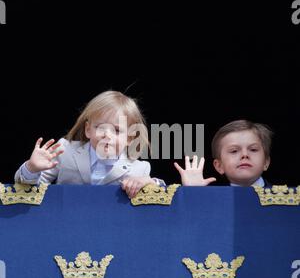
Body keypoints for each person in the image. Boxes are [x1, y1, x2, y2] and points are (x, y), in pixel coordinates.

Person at [15, 90, 163, 198]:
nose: (107, 135)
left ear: (130, 137)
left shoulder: (139, 168)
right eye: (100, 127)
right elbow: (28, 190)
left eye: (117, 130)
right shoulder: (65, 150)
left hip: (111, 232)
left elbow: (161, 195)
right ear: (88, 130)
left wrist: (149, 182)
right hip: (65, 227)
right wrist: (31, 168)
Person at [175, 119, 273, 187]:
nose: (245, 154)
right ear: (219, 166)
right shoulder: (212, 200)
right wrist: (194, 192)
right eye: (234, 151)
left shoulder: (286, 198)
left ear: (266, 162)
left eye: (253, 150)